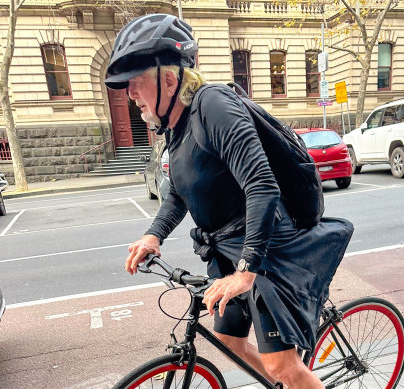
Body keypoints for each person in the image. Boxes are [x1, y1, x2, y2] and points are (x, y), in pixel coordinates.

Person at [105, 14, 353, 389]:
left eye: (136, 83)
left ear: (169, 80)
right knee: (229, 340)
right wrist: (154, 235)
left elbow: (262, 185)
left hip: (269, 250)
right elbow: (180, 191)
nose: (130, 93)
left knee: (282, 364)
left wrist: (246, 271)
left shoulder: (213, 104)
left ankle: (291, 378)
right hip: (228, 250)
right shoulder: (177, 127)